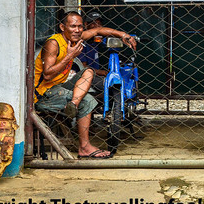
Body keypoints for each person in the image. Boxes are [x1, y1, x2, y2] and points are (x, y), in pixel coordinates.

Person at [34, 11, 137, 159]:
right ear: (63, 27)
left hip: (59, 87)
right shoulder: (54, 43)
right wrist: (70, 55)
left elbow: (97, 30)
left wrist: (123, 35)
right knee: (87, 100)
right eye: (73, 26)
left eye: (80, 26)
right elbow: (47, 74)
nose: (77, 30)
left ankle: (73, 104)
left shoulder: (76, 38)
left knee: (88, 71)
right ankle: (84, 147)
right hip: (44, 94)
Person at [79, 11, 108, 90]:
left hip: (96, 76)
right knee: (108, 83)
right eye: (94, 23)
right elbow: (83, 67)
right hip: (84, 77)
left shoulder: (97, 43)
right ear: (86, 24)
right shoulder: (82, 43)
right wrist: (101, 72)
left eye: (99, 24)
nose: (97, 26)